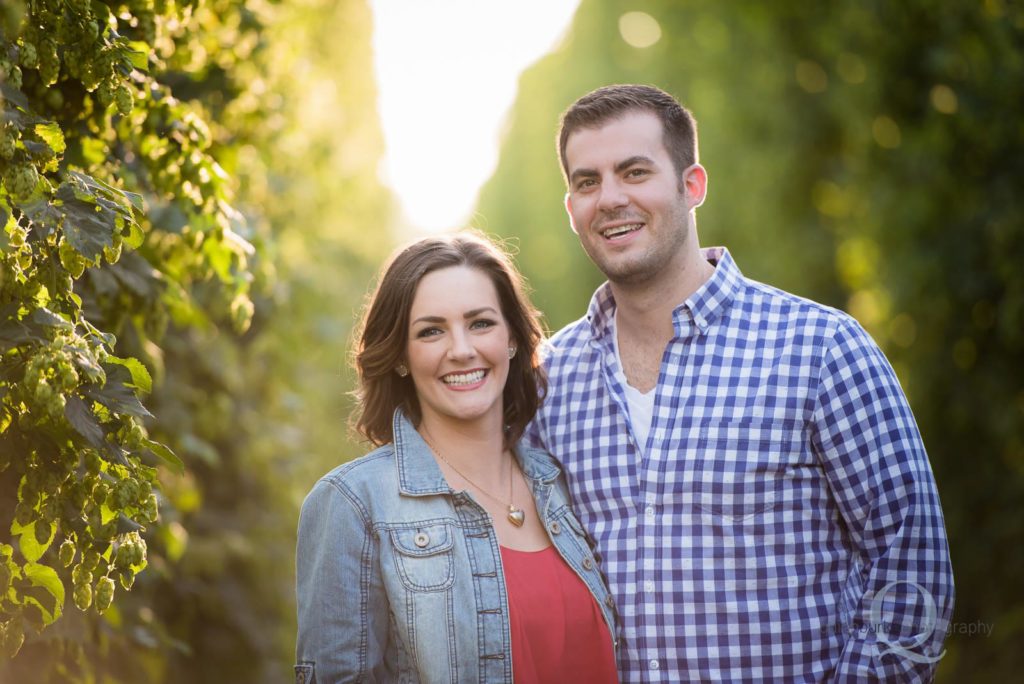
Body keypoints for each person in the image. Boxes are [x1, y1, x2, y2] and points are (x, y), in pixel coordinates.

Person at [526, 84, 955, 682]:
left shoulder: (820, 348)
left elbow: (912, 572)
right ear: (570, 205)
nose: (611, 198)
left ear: (692, 184)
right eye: (587, 181)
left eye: (635, 171)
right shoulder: (549, 379)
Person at [295, 232, 619, 683]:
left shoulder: (560, 482)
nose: (462, 349)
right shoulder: (352, 504)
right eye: (431, 331)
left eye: (481, 323)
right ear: (401, 356)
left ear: (511, 339)